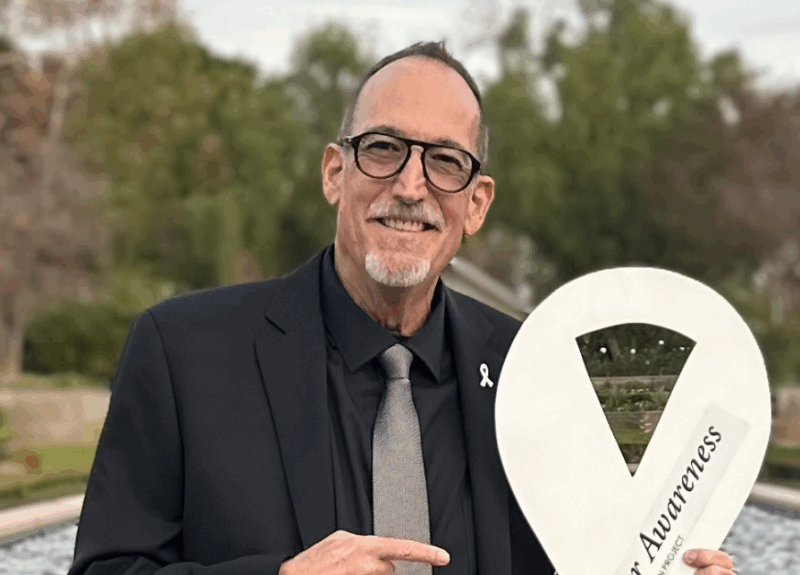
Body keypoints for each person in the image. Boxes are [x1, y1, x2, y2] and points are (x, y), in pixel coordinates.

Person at [68, 42, 737, 575]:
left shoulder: (543, 376)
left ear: (475, 204)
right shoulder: (184, 352)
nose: (412, 186)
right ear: (336, 171)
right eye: (384, 148)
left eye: (446, 162)